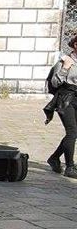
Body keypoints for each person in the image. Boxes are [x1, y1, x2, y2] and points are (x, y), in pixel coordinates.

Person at [45, 34, 77, 178]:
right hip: (65, 99)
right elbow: (55, 83)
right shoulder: (65, 60)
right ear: (75, 45)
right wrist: (65, 68)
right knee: (72, 132)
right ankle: (69, 167)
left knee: (75, 133)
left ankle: (54, 158)